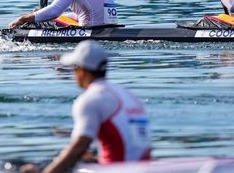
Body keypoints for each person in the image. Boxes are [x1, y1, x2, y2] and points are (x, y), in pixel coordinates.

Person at [22, 41, 152, 173]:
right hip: (140, 165)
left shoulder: (90, 99)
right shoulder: (127, 94)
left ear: (82, 70)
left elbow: (79, 148)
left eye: (74, 68)